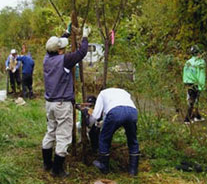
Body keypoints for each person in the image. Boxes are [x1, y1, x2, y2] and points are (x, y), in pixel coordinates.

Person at [41, 25, 91, 177]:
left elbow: (58, 44)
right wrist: (85, 37)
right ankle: (57, 170)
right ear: (59, 50)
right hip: (62, 104)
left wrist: (67, 34)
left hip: (49, 103)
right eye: (62, 47)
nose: (64, 48)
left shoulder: (46, 58)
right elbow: (81, 53)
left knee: (51, 131)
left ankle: (47, 164)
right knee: (63, 136)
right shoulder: (65, 60)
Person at [89, 88, 140, 176]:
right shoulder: (124, 92)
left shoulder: (102, 94)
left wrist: (89, 124)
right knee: (132, 140)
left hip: (115, 112)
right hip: (132, 112)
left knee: (104, 138)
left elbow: (96, 115)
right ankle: (133, 170)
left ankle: (103, 166)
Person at [183, 45, 206, 124]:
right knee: (193, 101)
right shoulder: (201, 62)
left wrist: (185, 82)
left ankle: (196, 116)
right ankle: (187, 118)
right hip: (196, 83)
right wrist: (201, 86)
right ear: (198, 53)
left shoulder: (188, 62)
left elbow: (185, 73)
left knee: (193, 100)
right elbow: (201, 75)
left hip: (188, 82)